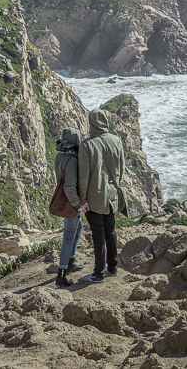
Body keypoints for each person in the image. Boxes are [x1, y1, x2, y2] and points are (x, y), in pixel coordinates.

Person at [76, 109, 127, 283]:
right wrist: (115, 186)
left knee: (98, 234)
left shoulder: (87, 144)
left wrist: (82, 200)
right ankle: (112, 267)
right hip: (112, 195)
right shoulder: (116, 140)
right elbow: (121, 168)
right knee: (110, 230)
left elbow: (84, 176)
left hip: (94, 196)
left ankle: (98, 274)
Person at [53, 127, 84, 287]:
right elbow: (70, 186)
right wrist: (78, 205)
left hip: (66, 200)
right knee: (68, 237)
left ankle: (70, 262)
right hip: (70, 202)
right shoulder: (71, 160)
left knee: (79, 229)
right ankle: (62, 275)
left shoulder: (60, 155)